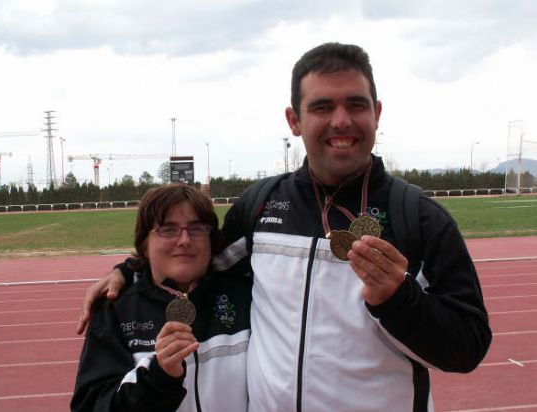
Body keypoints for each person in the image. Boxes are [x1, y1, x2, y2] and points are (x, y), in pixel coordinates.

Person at [77, 43, 492, 411]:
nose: (341, 120)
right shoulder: (260, 206)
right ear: (294, 120)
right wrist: (130, 269)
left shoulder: (419, 217)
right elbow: (194, 257)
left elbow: (468, 348)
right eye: (322, 107)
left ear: (377, 113)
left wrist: (398, 300)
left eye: (356, 105)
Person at [71, 184, 251, 411]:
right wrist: (158, 378)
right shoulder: (116, 310)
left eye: (196, 228)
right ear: (144, 244)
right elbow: (91, 405)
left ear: (211, 239)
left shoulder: (247, 294)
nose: (184, 239)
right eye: (168, 229)